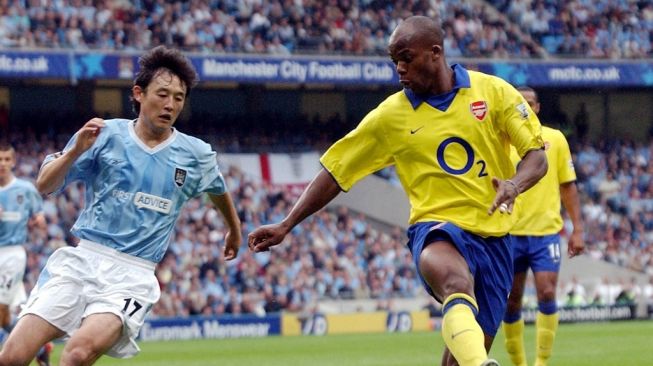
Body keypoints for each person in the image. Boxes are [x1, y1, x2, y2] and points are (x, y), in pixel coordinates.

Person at [248, 16, 547, 366]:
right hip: (437, 231)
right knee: (454, 281)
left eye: (406, 58)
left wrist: (513, 184)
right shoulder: (390, 117)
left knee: (461, 355)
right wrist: (287, 223)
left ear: (435, 53)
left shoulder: (492, 92)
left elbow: (536, 157)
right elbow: (335, 171)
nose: (399, 69)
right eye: (394, 61)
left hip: (495, 240)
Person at [0, 46, 242, 365]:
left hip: (133, 274)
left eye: (179, 98)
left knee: (76, 355)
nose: (170, 104)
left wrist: (234, 231)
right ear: (139, 93)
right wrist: (74, 153)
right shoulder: (103, 134)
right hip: (84, 259)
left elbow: (218, 189)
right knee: (12, 357)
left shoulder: (195, 153)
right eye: (163, 94)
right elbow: (44, 184)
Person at [502, 86, 584, 366]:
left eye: (529, 103)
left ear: (536, 108)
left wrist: (578, 230)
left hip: (546, 232)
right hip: (509, 233)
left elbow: (568, 187)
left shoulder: (555, 139)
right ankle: (519, 363)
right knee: (511, 301)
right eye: (519, 103)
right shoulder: (502, 139)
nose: (524, 107)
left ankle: (541, 362)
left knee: (547, 292)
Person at [0, 144, 52, 366]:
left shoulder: (25, 189)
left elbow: (39, 217)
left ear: (13, 161)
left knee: (1, 311)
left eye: (6, 159)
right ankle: (40, 349)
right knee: (9, 315)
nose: (2, 164)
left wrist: (38, 222)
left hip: (11, 254)